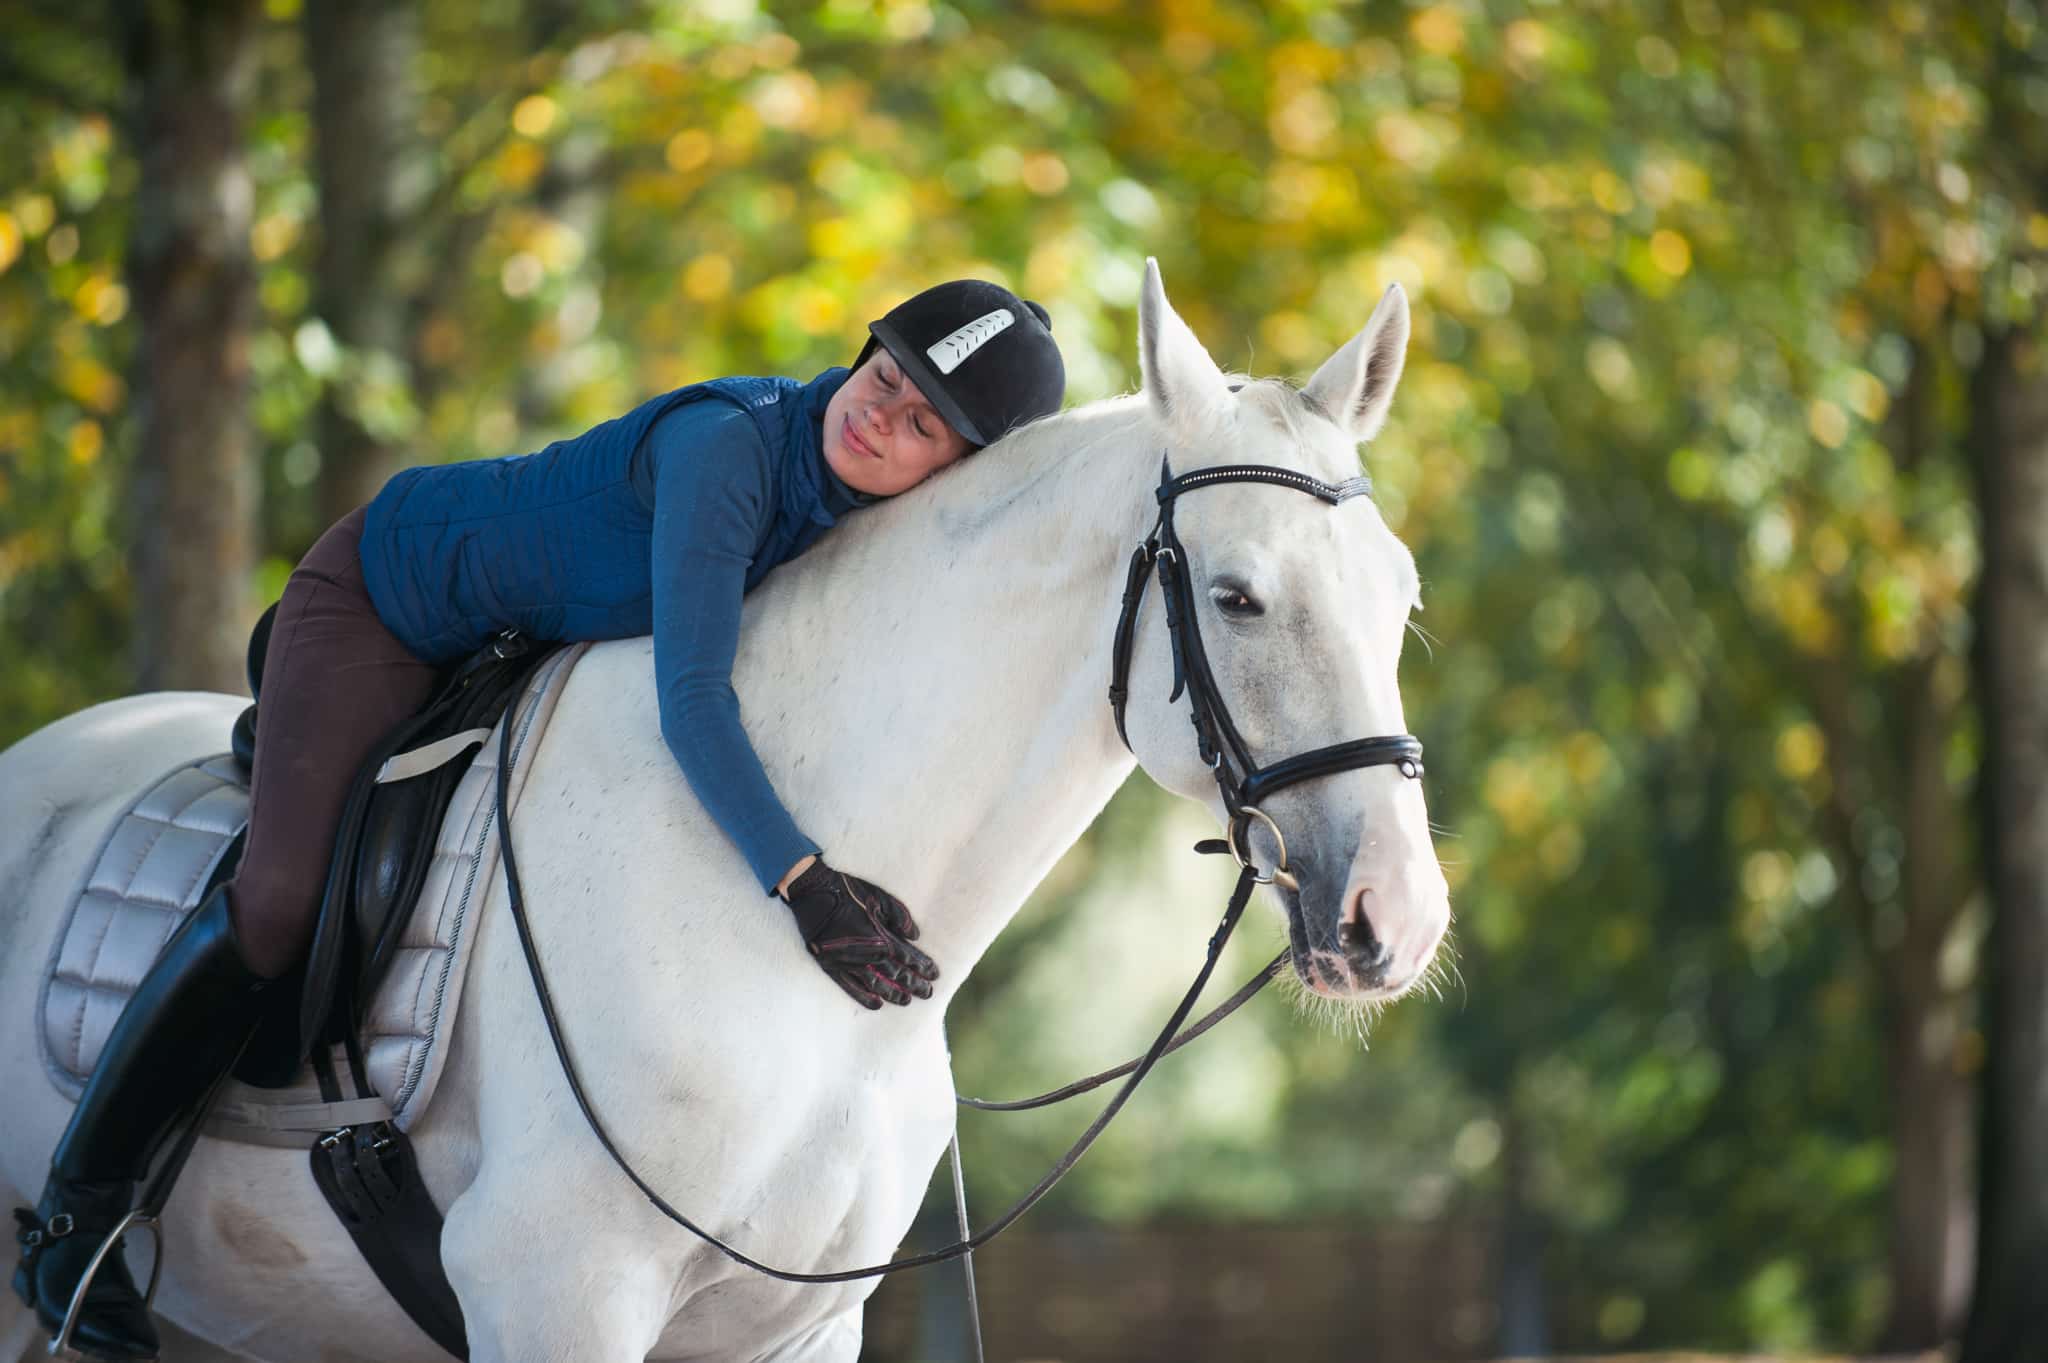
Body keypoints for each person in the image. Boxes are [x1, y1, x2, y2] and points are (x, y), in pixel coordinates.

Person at [12, 280, 1066, 1360]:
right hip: (387, 601)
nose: (878, 415)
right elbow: (693, 702)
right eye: (885, 374)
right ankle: (75, 1215)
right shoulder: (729, 448)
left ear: (949, 467)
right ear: (863, 351)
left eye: (919, 424)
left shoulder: (863, 517)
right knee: (278, 901)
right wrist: (802, 880)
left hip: (523, 637)